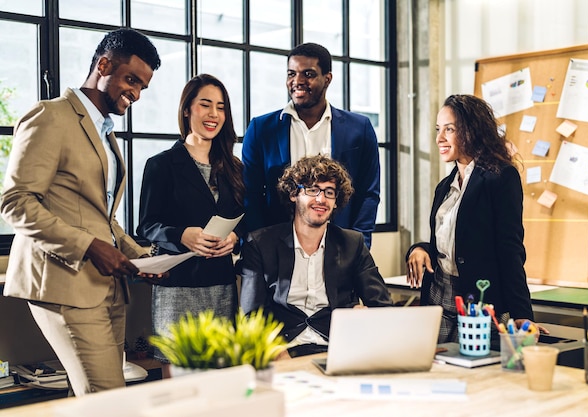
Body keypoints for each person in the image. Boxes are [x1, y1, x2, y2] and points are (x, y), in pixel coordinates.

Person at [1, 28, 162, 395]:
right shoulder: (50, 117)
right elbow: (16, 202)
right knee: (108, 397)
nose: (135, 93)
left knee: (93, 397)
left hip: (108, 286)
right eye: (131, 80)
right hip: (65, 282)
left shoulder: (105, 132)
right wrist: (90, 246)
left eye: (143, 87)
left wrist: (140, 256)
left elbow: (99, 216)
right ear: (104, 65)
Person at [405, 94, 546, 344]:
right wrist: (420, 248)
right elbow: (453, 244)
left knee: (481, 377)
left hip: (482, 303)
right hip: (439, 298)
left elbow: (509, 248)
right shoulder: (444, 187)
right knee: (437, 377)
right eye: (439, 130)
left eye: (450, 129)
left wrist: (522, 313)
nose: (440, 138)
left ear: (472, 130)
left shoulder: (501, 178)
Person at [137, 74, 245, 367]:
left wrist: (235, 239)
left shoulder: (235, 168)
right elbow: (147, 226)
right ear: (187, 109)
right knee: (179, 378)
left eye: (221, 107)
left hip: (221, 284)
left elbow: (246, 224)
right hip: (177, 287)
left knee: (221, 377)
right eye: (205, 105)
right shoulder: (160, 165)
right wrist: (182, 235)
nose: (213, 115)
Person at [240, 155, 392, 358]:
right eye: (312, 190)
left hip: (339, 348)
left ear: (336, 201)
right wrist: (274, 349)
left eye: (329, 192)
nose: (321, 199)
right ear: (294, 194)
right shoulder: (260, 243)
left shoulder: (352, 243)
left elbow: (382, 306)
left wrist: (363, 319)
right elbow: (251, 315)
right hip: (283, 350)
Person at [242, 42, 380, 248]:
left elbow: (368, 193)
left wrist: (359, 244)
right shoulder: (261, 129)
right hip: (278, 249)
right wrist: (259, 246)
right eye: (291, 74)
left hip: (339, 248)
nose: (297, 81)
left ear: (327, 79)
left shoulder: (359, 129)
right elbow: (250, 195)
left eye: (308, 74)